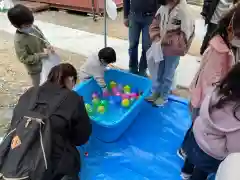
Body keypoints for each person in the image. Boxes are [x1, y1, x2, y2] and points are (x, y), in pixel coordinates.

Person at [178, 4, 240, 162]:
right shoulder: (219, 51)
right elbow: (209, 84)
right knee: (197, 129)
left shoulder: (227, 46)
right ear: (231, 28)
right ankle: (185, 152)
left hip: (208, 99)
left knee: (198, 129)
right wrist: (217, 104)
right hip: (203, 100)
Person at [8, 63, 91, 180]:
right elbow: (82, 137)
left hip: (16, 155)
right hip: (50, 164)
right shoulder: (73, 98)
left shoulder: (30, 92)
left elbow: (15, 122)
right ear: (71, 79)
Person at [181, 63, 240, 180]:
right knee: (201, 172)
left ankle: (185, 172)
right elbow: (234, 147)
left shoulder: (217, 91)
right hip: (211, 152)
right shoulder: (236, 115)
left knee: (191, 157)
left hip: (195, 135)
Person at [145, 0, 195, 106]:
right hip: (161, 46)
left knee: (168, 73)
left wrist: (174, 42)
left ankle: (164, 96)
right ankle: (156, 92)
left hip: (173, 49)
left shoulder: (184, 11)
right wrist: (157, 37)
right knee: (159, 71)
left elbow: (188, 32)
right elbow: (155, 23)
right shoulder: (164, 7)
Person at [7, 4, 54, 87]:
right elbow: (24, 58)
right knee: (38, 85)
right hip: (34, 69)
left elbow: (42, 38)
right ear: (15, 25)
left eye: (31, 23)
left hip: (44, 63)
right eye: (26, 26)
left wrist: (48, 45)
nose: (30, 27)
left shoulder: (34, 28)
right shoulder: (19, 40)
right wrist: (40, 55)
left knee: (47, 80)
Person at [123, 0, 159, 76]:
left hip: (150, 18)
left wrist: (157, 18)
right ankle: (133, 68)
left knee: (147, 46)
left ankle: (143, 70)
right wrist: (125, 16)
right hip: (134, 16)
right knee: (132, 44)